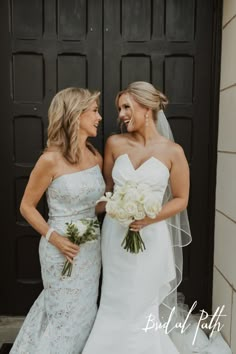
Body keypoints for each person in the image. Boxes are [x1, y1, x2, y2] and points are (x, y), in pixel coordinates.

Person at [82, 81, 232, 354]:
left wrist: (149, 218)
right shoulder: (114, 144)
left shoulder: (173, 152)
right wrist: (85, 212)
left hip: (152, 237)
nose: (121, 114)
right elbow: (106, 191)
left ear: (147, 107)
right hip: (116, 236)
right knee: (116, 297)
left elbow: (181, 199)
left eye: (127, 107)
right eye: (119, 108)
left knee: (142, 301)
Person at [10, 87, 105, 354]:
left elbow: (93, 206)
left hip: (90, 249)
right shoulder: (49, 160)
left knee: (85, 314)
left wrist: (116, 205)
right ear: (75, 115)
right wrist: (56, 239)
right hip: (59, 251)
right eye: (94, 111)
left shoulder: (95, 156)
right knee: (63, 315)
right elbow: (26, 207)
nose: (99, 117)